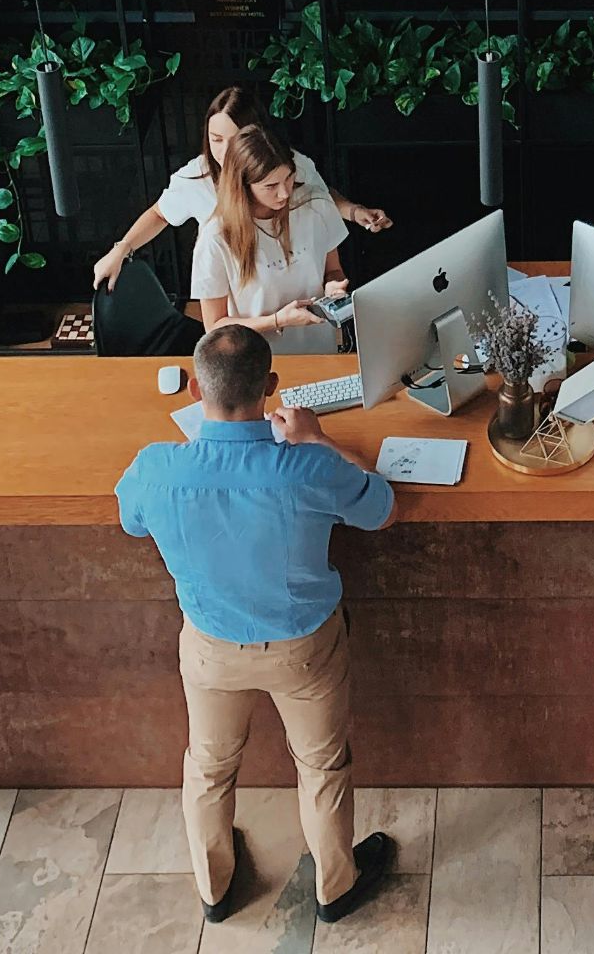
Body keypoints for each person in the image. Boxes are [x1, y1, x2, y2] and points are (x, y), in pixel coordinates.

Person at [115, 325, 398, 925]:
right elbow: (379, 507)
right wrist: (320, 439)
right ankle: (335, 887)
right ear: (271, 387)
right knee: (321, 765)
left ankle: (215, 890)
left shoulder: (157, 466)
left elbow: (133, 522)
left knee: (208, 766)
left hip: (212, 647)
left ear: (194, 389)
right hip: (303, 648)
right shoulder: (306, 468)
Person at [92, 85, 391, 291]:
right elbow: (160, 213)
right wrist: (121, 249)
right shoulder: (197, 178)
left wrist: (353, 212)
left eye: (234, 140)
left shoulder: (287, 165)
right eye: (215, 139)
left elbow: (318, 195)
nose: (223, 151)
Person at [192, 125, 355, 353]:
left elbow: (333, 271)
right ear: (243, 186)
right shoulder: (216, 237)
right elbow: (215, 327)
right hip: (254, 360)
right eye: (270, 186)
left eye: (289, 178)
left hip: (320, 351)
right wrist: (277, 320)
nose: (285, 193)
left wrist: (334, 287)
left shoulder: (315, 205)